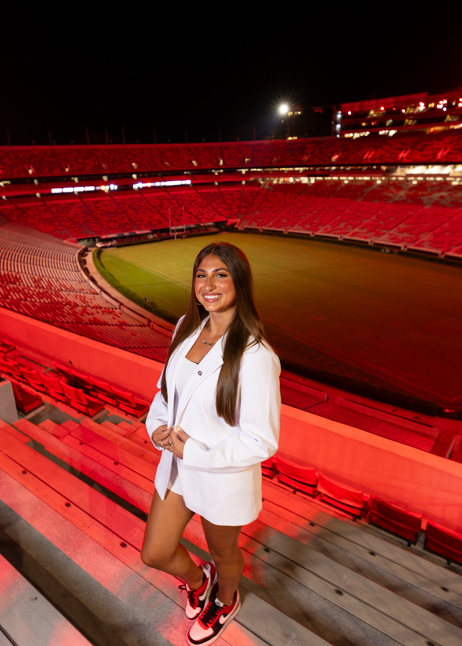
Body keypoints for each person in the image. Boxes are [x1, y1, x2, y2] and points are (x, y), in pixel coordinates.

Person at [141, 242, 281, 646]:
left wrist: (194, 452)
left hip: (221, 478)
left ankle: (225, 598)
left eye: (221, 274)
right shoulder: (186, 324)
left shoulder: (256, 356)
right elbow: (166, 393)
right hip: (177, 468)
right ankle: (199, 582)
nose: (209, 283)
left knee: (225, 554)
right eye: (201, 274)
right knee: (155, 552)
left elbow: (261, 441)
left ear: (240, 280)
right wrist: (156, 427)